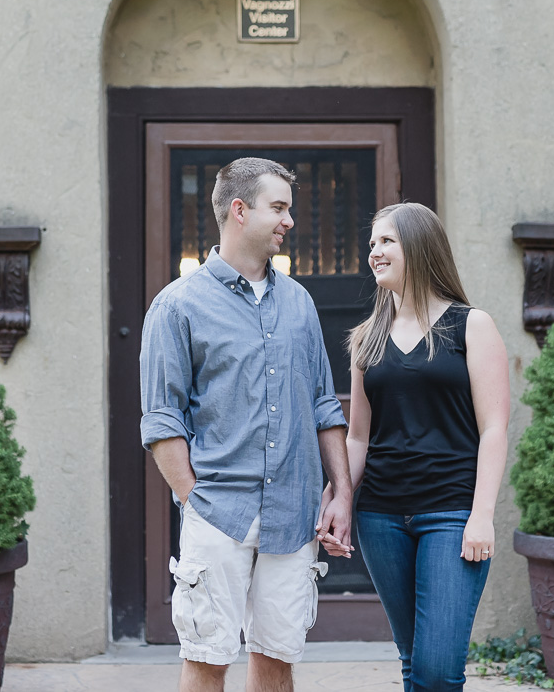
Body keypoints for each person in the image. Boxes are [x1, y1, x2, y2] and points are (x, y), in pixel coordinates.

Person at [141, 157, 353, 692]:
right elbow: (163, 420)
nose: (288, 221)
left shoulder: (300, 304)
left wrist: (341, 493)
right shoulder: (177, 306)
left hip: (293, 515)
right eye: (278, 208)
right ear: (239, 210)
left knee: (277, 659)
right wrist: (194, 499)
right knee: (208, 659)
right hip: (219, 514)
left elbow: (324, 405)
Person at [319, 202, 510, 692]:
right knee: (413, 661)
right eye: (371, 244)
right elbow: (358, 435)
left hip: (451, 513)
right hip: (382, 516)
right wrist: (340, 496)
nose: (374, 253)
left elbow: (494, 430)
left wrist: (482, 514)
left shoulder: (472, 326)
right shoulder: (367, 337)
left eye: (387, 241)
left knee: (436, 670)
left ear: (420, 246)